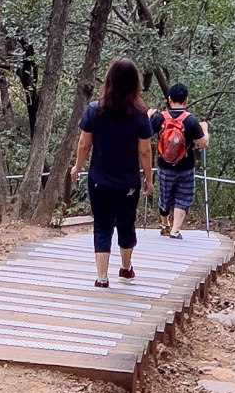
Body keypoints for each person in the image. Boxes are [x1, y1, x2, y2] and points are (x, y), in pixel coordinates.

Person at [71, 58, 154, 286]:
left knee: (102, 225)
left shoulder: (94, 110)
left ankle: (102, 277)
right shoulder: (140, 114)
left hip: (99, 180)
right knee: (126, 223)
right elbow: (144, 150)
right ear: (135, 83)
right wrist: (148, 176)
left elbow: (84, 143)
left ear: (108, 80)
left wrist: (78, 166)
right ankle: (126, 268)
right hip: (128, 182)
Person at [152, 82, 204, 239]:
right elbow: (203, 143)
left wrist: (148, 116)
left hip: (164, 165)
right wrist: (205, 129)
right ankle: (175, 230)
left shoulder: (160, 117)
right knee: (184, 197)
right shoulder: (191, 120)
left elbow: (144, 133)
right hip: (186, 167)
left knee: (165, 196)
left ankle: (165, 224)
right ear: (186, 100)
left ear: (169, 99)